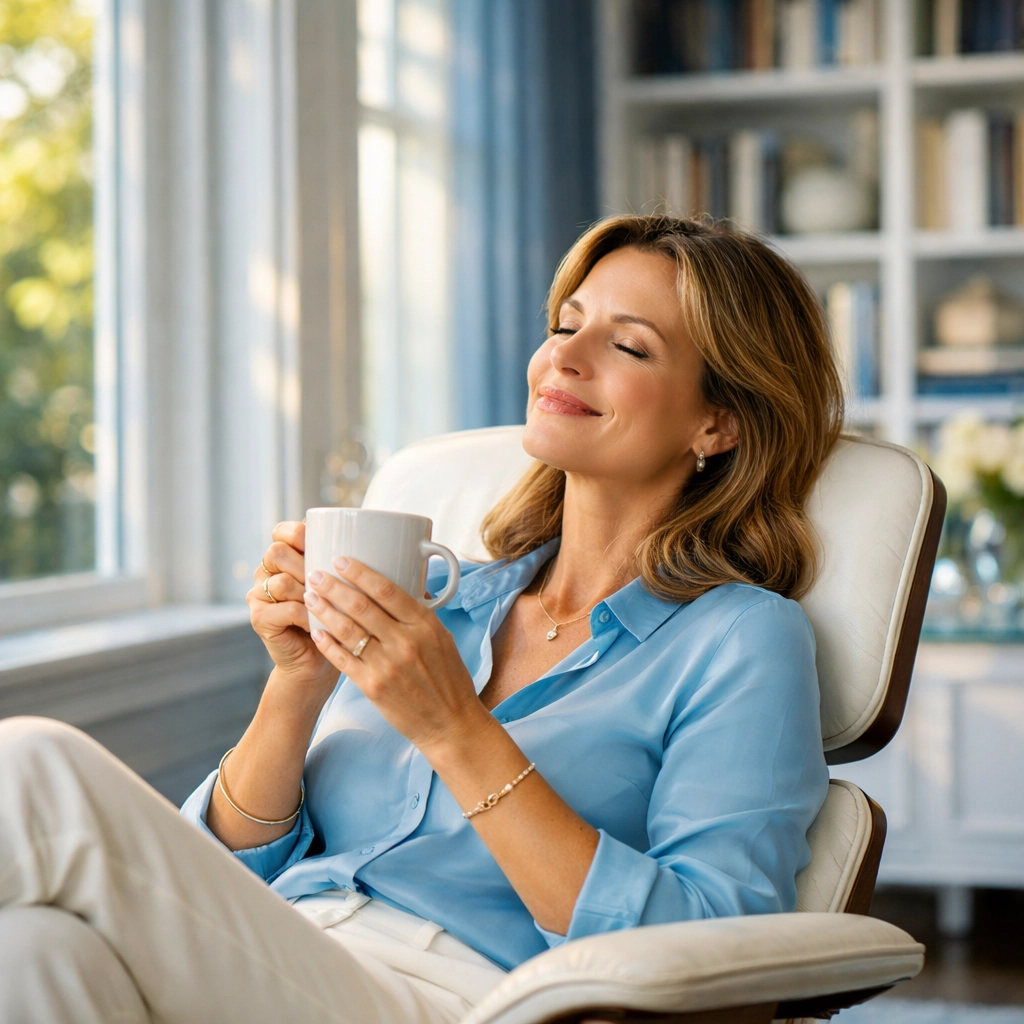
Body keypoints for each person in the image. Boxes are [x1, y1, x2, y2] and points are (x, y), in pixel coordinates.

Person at [0, 214, 843, 1024]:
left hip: (469, 996)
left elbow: (714, 959)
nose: (563, 357)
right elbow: (229, 870)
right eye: (566, 323)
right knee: (31, 953)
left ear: (718, 422)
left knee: (35, 764)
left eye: (626, 344)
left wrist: (453, 727)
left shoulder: (739, 638)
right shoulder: (449, 601)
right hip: (287, 951)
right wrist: (297, 686)